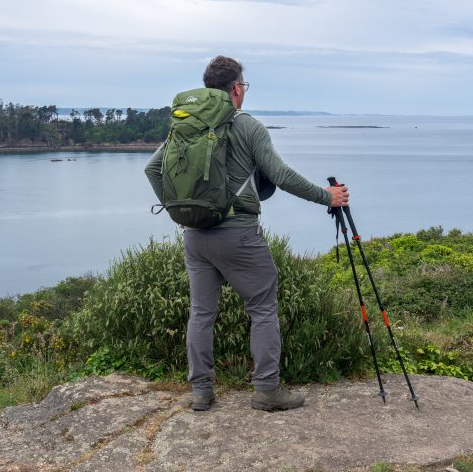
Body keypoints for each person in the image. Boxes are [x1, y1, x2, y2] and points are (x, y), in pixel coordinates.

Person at [145, 55, 349, 412]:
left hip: (195, 236)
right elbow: (281, 176)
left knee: (201, 313)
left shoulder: (185, 126)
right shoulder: (247, 125)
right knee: (263, 309)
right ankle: (267, 390)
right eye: (244, 86)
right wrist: (326, 196)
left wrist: (180, 210)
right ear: (237, 88)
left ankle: (202, 392)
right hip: (239, 235)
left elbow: (152, 169)